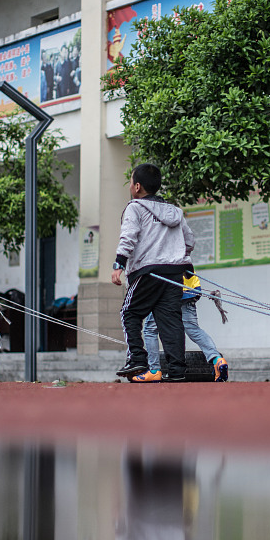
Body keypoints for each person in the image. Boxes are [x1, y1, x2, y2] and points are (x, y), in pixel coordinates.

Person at [111, 163, 194, 382]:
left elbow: (128, 236)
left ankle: (137, 357)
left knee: (129, 312)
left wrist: (118, 264)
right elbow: (190, 241)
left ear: (137, 186)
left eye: (130, 181)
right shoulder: (174, 211)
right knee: (170, 321)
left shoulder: (135, 207)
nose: (130, 185)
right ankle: (177, 371)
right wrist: (174, 255)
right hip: (175, 272)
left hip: (147, 272)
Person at [141, 272, 229, 381]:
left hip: (167, 292)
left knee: (150, 329)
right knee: (193, 329)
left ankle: (154, 370)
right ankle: (217, 359)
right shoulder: (182, 254)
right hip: (190, 289)